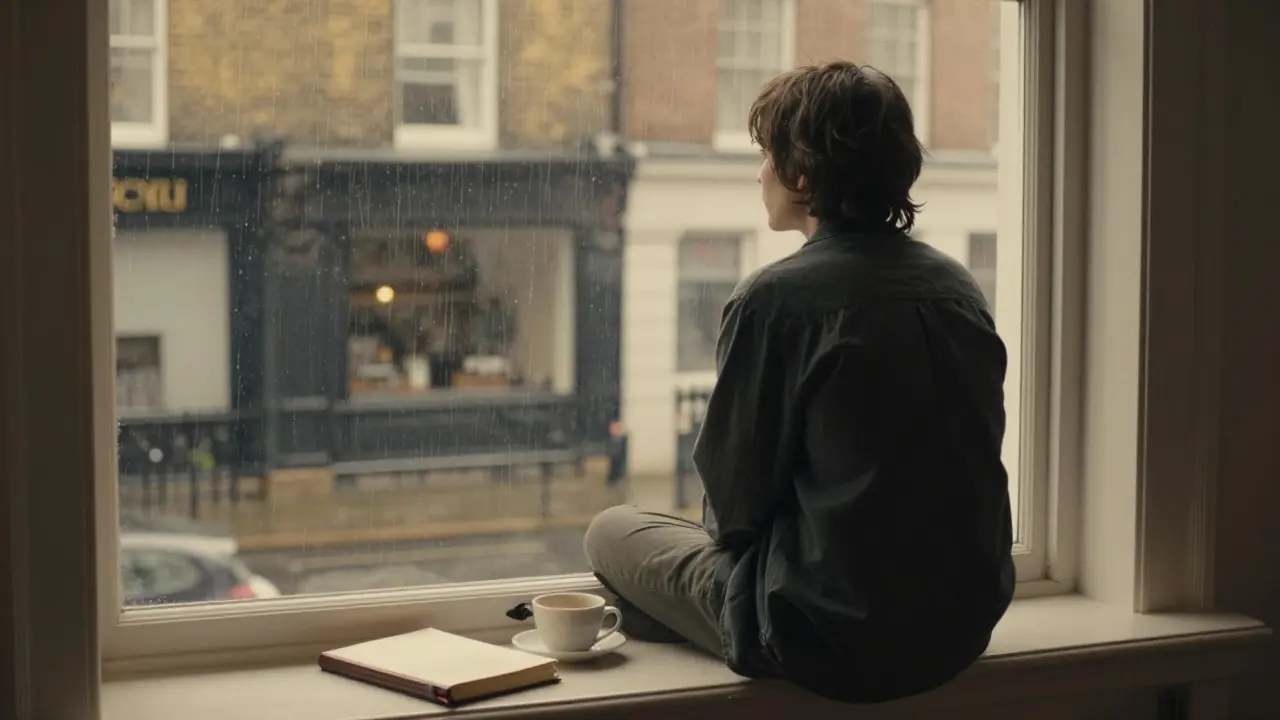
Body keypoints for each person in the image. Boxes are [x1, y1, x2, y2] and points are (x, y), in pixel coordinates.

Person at [583, 60, 1015, 704]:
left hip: (826, 633)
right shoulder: (959, 289)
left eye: (766, 155)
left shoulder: (774, 301)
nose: (760, 172)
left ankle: (700, 625)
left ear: (802, 174)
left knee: (611, 532)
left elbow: (731, 514)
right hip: (960, 624)